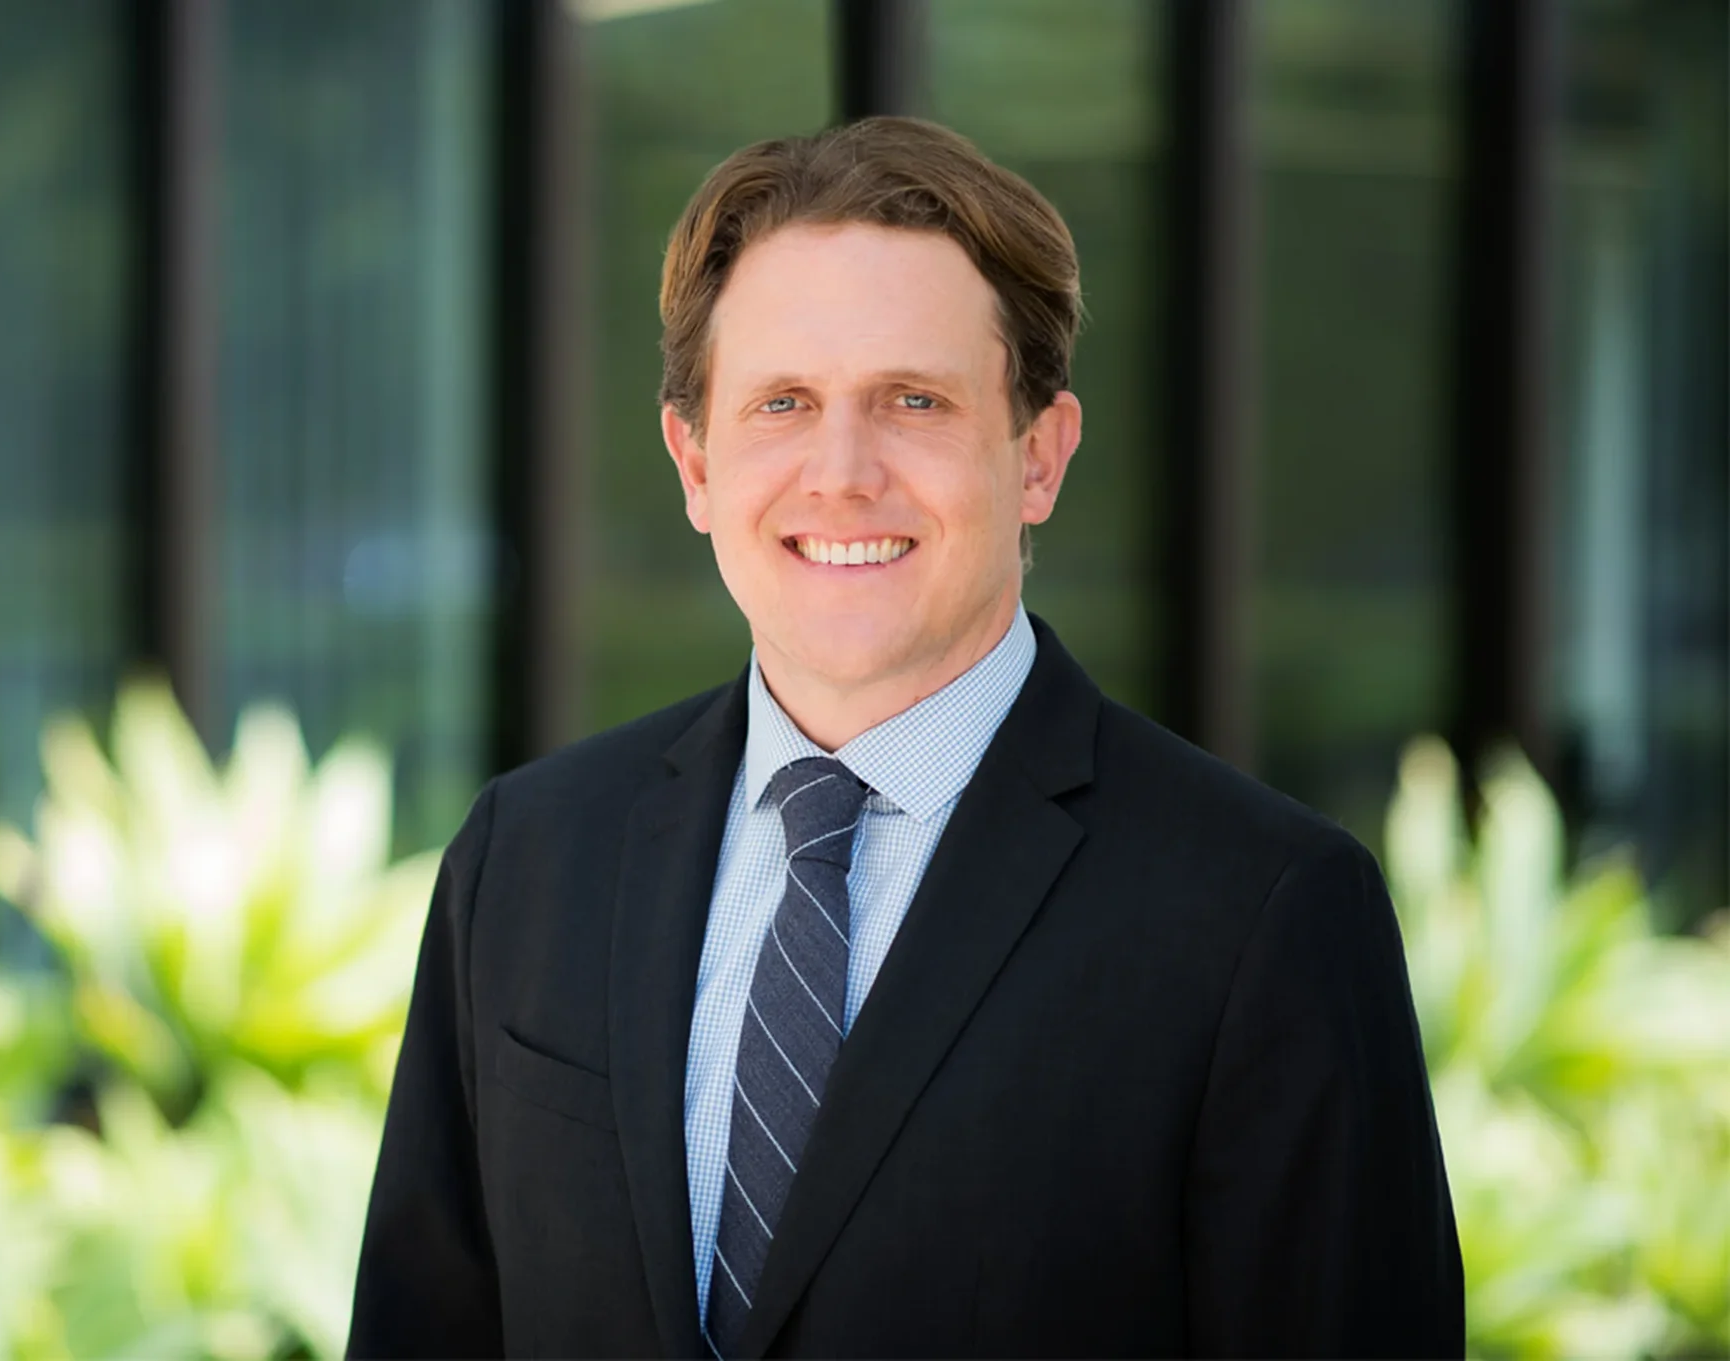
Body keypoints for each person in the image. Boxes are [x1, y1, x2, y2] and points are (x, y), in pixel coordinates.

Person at [346, 116, 1462, 1359]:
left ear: (1037, 455)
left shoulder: (1265, 912)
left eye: (913, 400)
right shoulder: (529, 855)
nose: (840, 471)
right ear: (694, 461)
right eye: (782, 402)